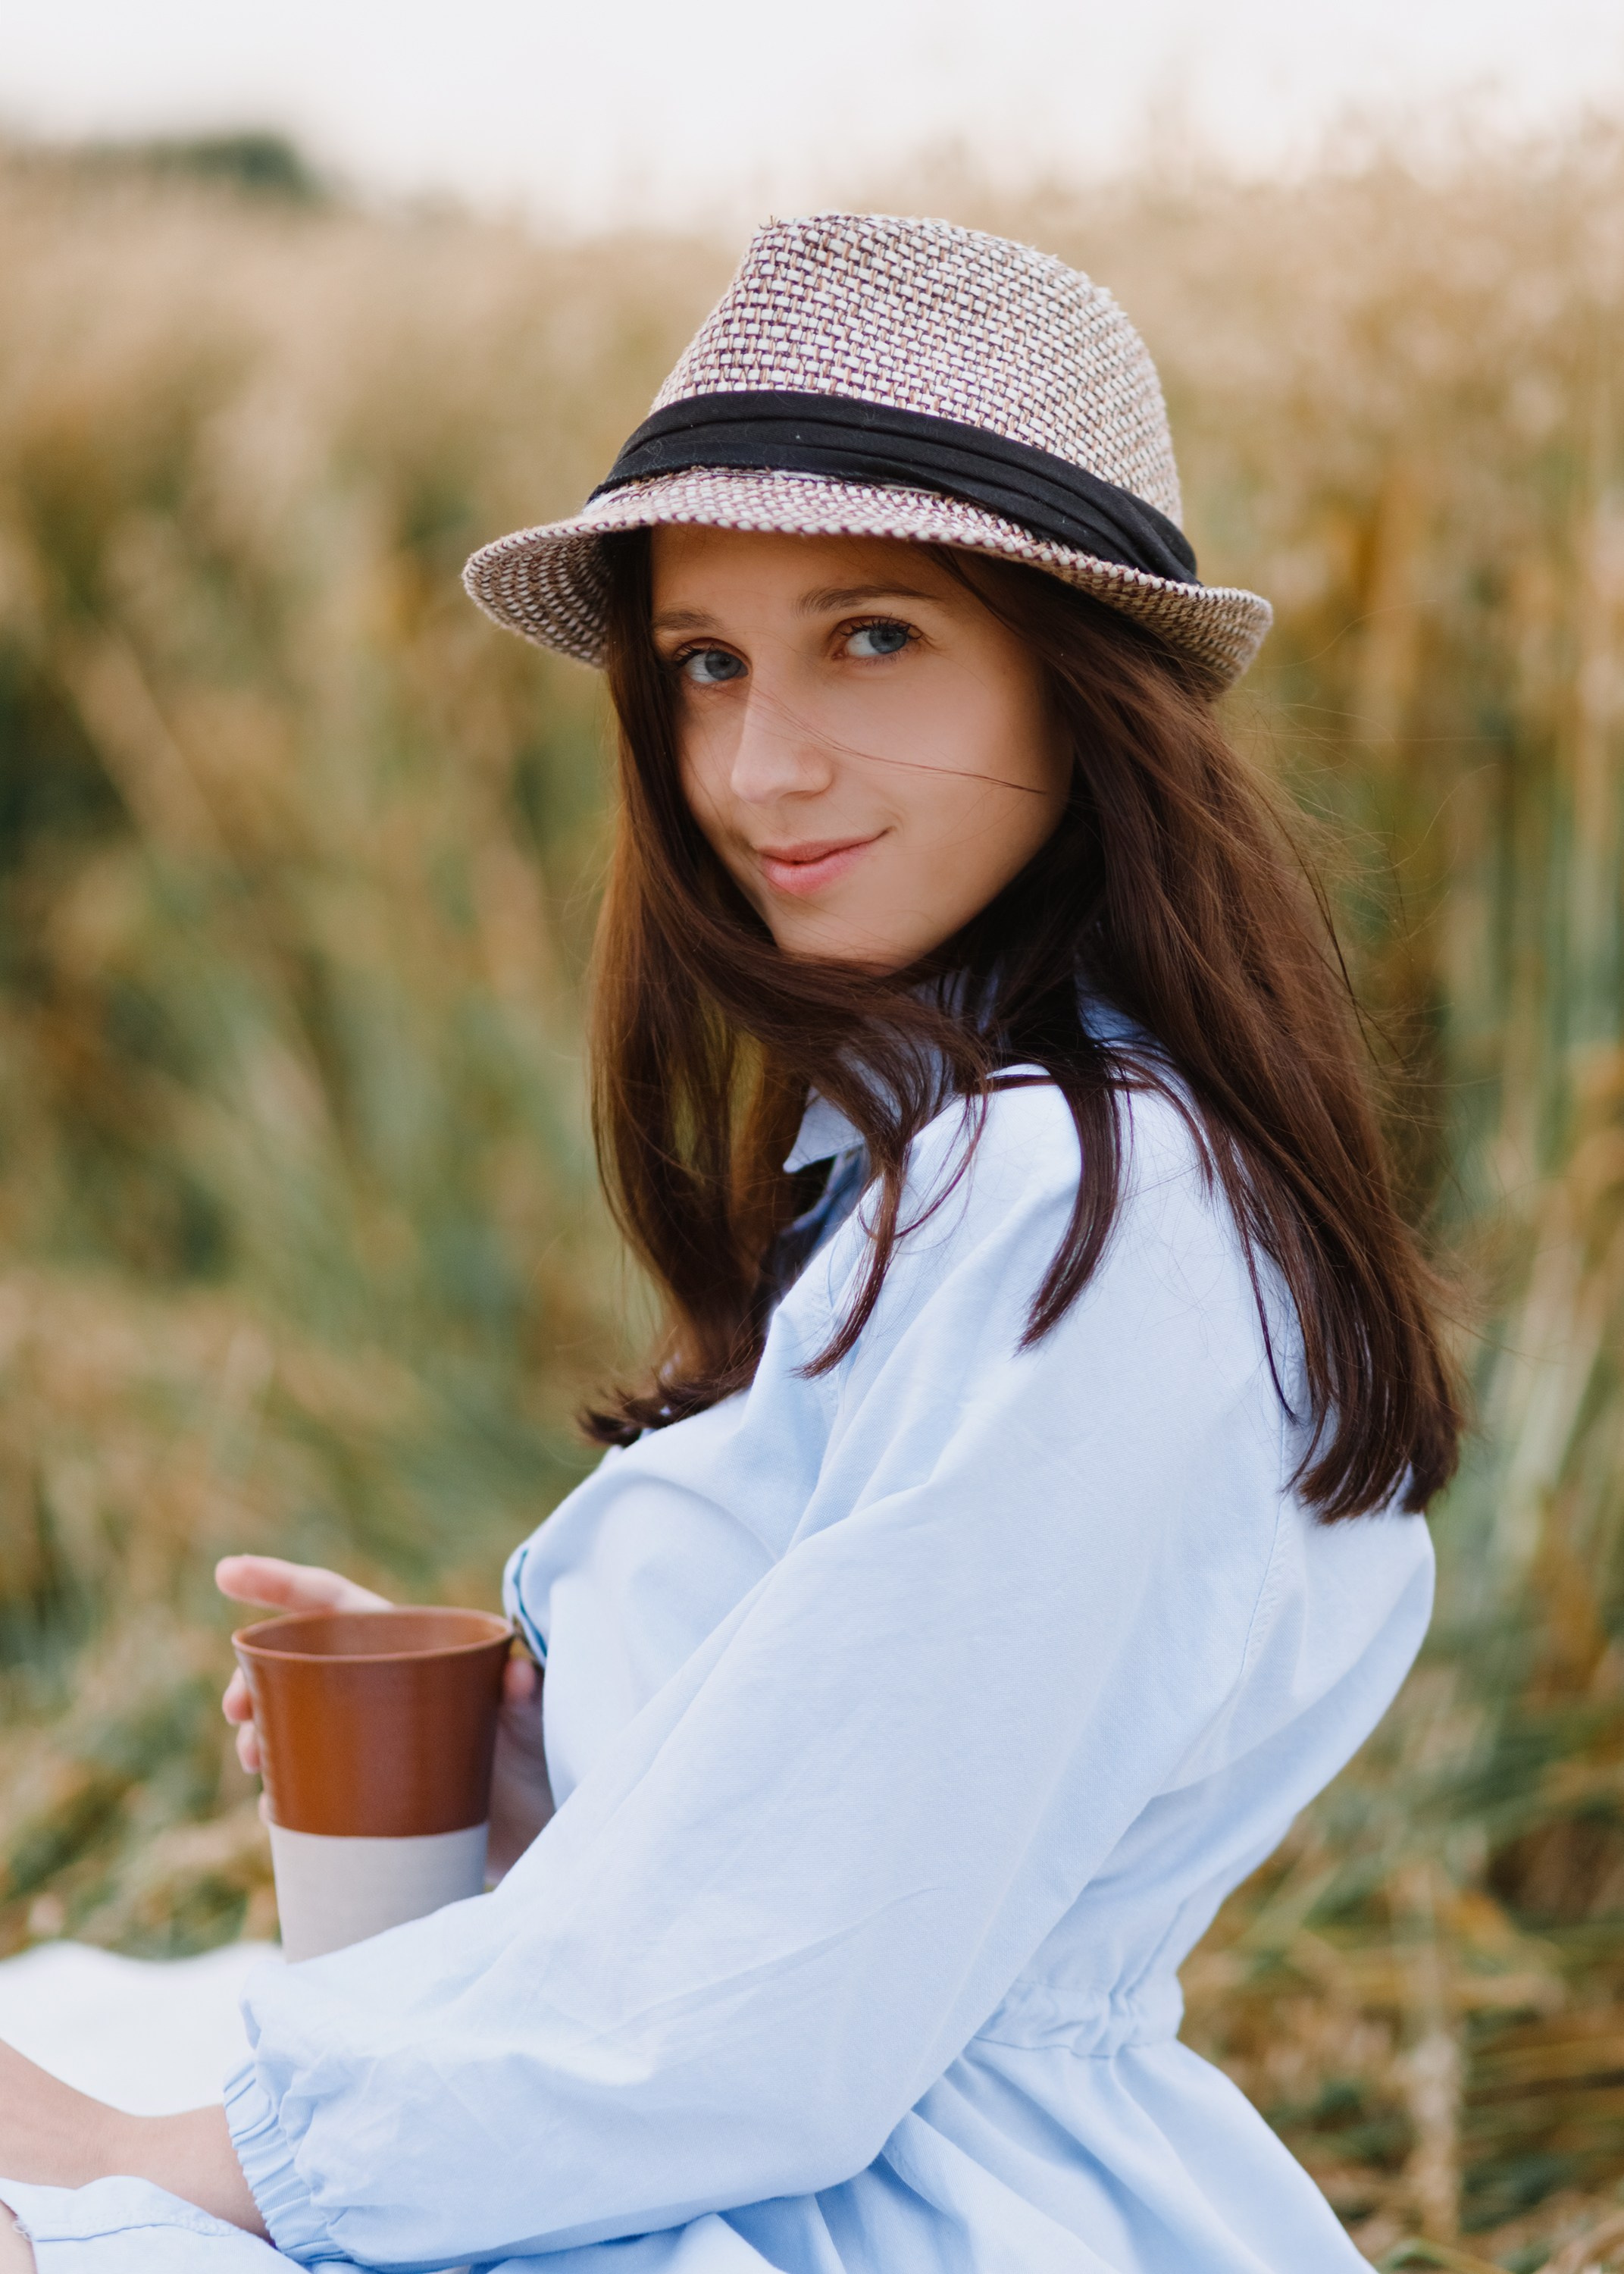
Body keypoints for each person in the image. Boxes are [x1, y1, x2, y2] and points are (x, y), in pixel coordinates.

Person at [0, 211, 1458, 2272]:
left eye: (872, 636)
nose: (759, 766)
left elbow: (786, 2013)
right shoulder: (949, 1166)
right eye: (708, 663)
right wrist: (535, 1773)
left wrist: (164, 2164)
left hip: (889, 2210)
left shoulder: (1091, 1220)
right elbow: (864, 1842)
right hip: (728, 2144)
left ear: (1083, 675)